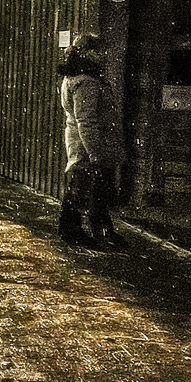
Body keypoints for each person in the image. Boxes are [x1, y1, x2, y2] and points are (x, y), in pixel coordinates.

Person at [58, 32, 125, 249]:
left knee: (90, 188)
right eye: (99, 51)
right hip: (89, 144)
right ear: (88, 53)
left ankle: (94, 230)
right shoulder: (85, 80)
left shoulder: (81, 75)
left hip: (87, 142)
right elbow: (85, 120)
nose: (104, 56)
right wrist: (96, 152)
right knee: (84, 187)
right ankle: (74, 231)